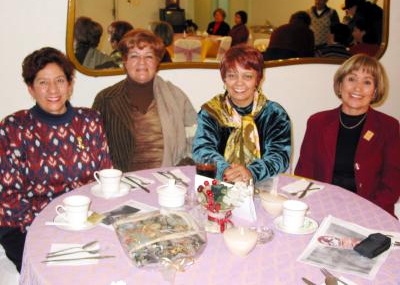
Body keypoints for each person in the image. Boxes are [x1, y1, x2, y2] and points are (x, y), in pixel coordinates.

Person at [0, 47, 112, 271]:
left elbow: (104, 177)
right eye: (42, 82)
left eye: (60, 80)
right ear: (31, 88)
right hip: (25, 226)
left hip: (82, 219)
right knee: (62, 273)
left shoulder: (90, 120)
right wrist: (52, 224)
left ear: (70, 85)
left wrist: (93, 220)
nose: (53, 89)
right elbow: (8, 196)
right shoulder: (13, 127)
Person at [295, 54, 400, 216]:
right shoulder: (318, 122)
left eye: (367, 82)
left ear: (375, 91)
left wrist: (363, 212)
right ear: (340, 84)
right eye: (352, 79)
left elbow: (392, 183)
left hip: (372, 211)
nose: (358, 88)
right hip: (321, 208)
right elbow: (304, 172)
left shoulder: (388, 127)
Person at [93, 29, 197, 172]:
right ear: (125, 60)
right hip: (122, 187)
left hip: (169, 185)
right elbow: (94, 149)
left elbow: (196, 138)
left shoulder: (176, 97)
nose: (142, 63)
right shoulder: (105, 99)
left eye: (149, 56)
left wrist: (183, 167)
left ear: (157, 61)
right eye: (134, 56)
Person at [192, 44, 291, 183]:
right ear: (224, 79)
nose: (239, 83)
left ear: (258, 79)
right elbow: (202, 149)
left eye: (248, 76)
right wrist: (225, 170)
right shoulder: (212, 112)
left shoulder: (274, 114)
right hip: (219, 185)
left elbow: (279, 156)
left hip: (263, 185)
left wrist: (251, 172)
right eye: (232, 75)